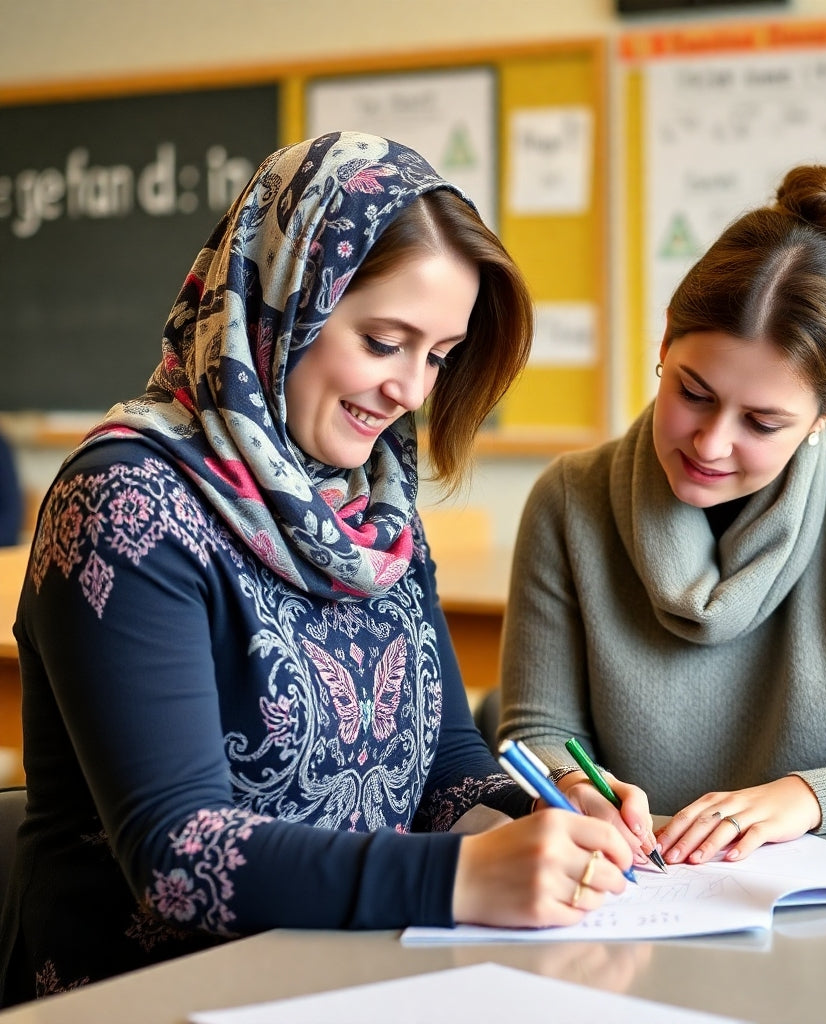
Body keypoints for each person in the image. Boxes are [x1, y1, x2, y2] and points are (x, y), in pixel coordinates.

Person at [0, 132, 644, 1005]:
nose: (413, 391)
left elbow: (447, 763)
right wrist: (466, 875)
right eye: (384, 341)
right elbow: (183, 856)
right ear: (282, 302)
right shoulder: (126, 499)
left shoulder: (372, 507)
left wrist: (548, 815)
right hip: (149, 996)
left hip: (356, 977)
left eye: (439, 356)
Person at [498, 164, 826, 871]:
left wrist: (806, 798)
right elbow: (541, 728)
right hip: (635, 896)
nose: (711, 444)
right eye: (693, 391)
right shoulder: (569, 498)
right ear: (663, 346)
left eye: (763, 421)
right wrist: (569, 785)